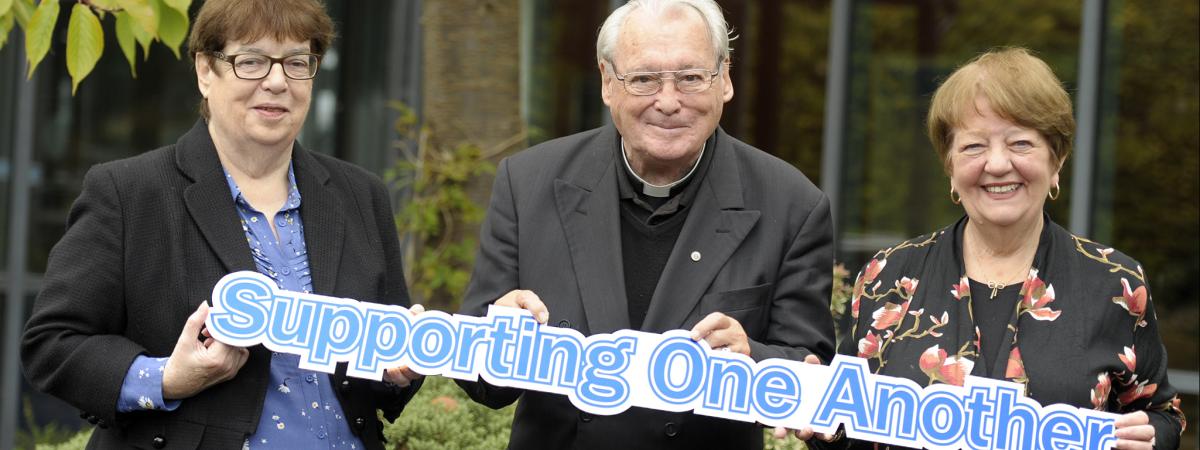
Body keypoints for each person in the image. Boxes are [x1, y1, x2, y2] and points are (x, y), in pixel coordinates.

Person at [21, 0, 422, 448]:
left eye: (296, 62)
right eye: (251, 61)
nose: (276, 82)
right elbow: (52, 345)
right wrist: (166, 378)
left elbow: (385, 375)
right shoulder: (130, 192)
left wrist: (396, 374)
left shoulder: (361, 195)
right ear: (206, 71)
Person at [454, 0, 837, 448]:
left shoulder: (792, 204)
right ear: (607, 83)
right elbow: (478, 381)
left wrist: (753, 358)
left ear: (725, 79)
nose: (669, 102)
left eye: (691, 77)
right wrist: (498, 341)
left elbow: (812, 381)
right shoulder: (528, 183)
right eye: (643, 80)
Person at [826, 47, 1186, 449]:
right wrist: (818, 428)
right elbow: (842, 428)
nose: (997, 164)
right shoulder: (888, 276)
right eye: (974, 147)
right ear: (950, 166)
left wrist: (1151, 437)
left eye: (1020, 143)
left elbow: (1162, 416)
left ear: (1057, 159)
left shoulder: (1114, 283)